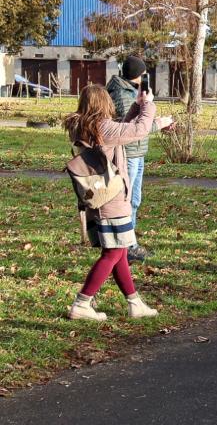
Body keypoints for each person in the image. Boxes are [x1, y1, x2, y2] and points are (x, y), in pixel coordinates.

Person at [64, 84, 164, 321]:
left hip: (98, 197)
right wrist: (148, 105)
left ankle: (134, 302)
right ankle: (82, 302)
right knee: (114, 252)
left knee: (118, 251)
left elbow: (123, 129)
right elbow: (137, 131)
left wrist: (135, 106)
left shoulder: (85, 125)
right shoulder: (102, 127)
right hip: (111, 198)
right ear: (104, 103)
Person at [106, 56, 172, 264]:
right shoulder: (123, 94)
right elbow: (131, 129)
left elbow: (139, 122)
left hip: (138, 152)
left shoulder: (131, 91)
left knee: (135, 199)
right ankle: (127, 245)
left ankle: (128, 242)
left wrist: (155, 121)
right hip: (130, 154)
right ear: (138, 75)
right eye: (144, 74)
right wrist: (158, 124)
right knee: (129, 201)